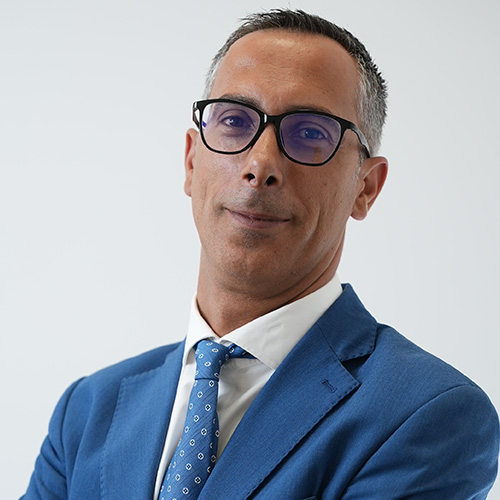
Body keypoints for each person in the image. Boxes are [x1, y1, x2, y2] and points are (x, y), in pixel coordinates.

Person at [22, 9, 499, 500]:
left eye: (310, 132)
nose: (260, 164)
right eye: (234, 121)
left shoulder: (430, 415)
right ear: (191, 161)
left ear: (366, 188)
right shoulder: (87, 412)